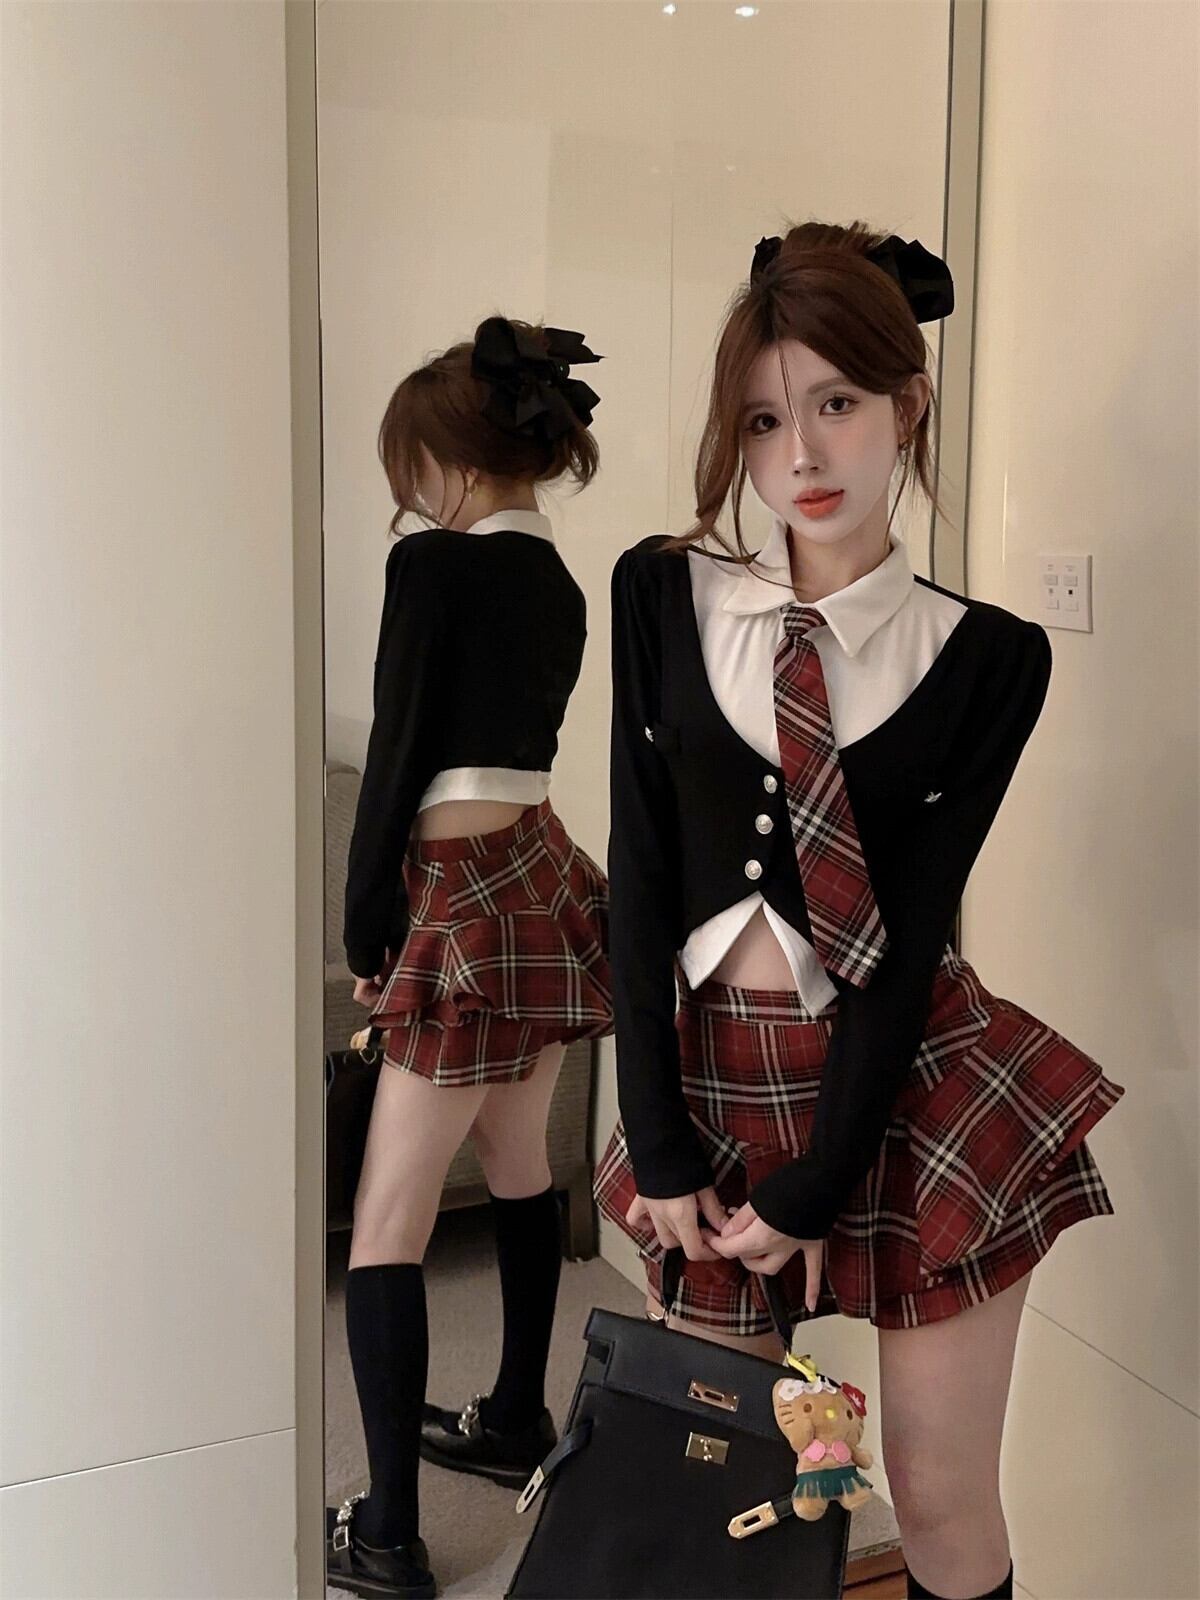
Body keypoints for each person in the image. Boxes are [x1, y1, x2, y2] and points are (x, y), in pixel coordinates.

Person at [594, 221, 1125, 1600]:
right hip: (706, 1083)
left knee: (937, 1500)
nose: (803, 457)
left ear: (909, 405)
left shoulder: (990, 659)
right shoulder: (661, 595)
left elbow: (914, 931)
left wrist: (825, 1172)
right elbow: (637, 876)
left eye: (837, 403)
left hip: (908, 1081)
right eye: (765, 420)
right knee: (717, 1492)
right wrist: (656, 1135)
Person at [328, 317, 614, 1599]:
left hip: (458, 899)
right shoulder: (560, 582)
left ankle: (389, 1531)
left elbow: (398, 752)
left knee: (385, 1225)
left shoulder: (433, 567)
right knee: (516, 1164)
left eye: (413, 468)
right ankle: (512, 1414)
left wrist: (366, 926)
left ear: (449, 456)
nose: (410, 493)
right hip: (541, 881)